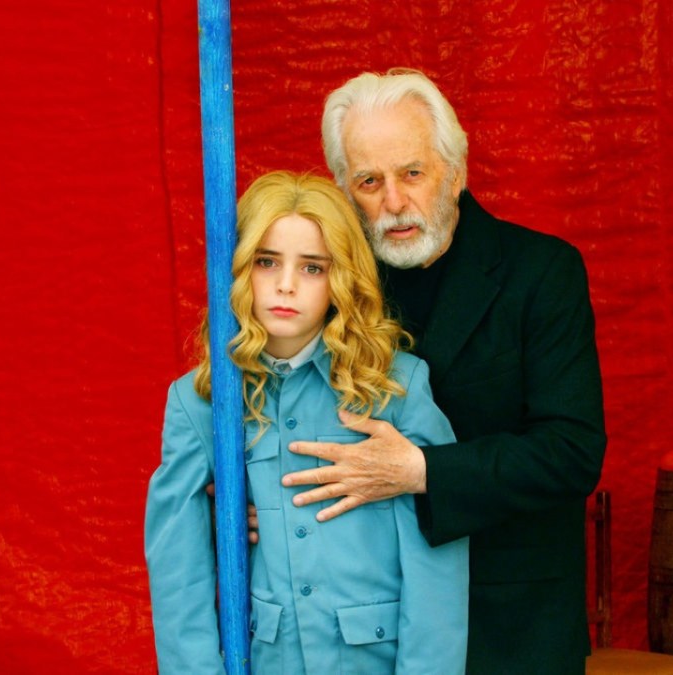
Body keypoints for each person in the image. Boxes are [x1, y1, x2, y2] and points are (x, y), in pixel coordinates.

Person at [281, 70, 607, 673]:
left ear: (455, 172)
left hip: (509, 629)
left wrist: (421, 471)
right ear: (345, 192)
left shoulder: (542, 272)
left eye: (412, 173)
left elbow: (572, 451)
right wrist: (261, 505)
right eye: (370, 182)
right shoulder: (331, 289)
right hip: (367, 626)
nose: (393, 203)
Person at [144, 171, 468, 674]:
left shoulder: (395, 389)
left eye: (313, 267)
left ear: (342, 279)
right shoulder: (199, 402)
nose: (286, 284)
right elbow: (177, 576)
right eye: (266, 261)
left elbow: (437, 567)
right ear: (237, 268)